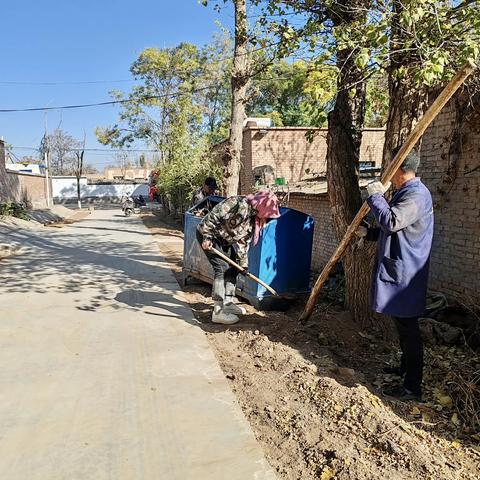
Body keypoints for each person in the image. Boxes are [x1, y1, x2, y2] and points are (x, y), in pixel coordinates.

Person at [357, 150, 434, 401]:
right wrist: (368, 234)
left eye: (391, 165)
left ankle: (412, 387)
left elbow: (392, 221)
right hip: (402, 269)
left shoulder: (416, 195)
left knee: (409, 328)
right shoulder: (407, 193)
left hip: (407, 274)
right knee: (402, 325)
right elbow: (397, 231)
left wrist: (376, 196)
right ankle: (404, 370)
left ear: (400, 169)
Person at [196, 189, 281, 325]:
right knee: (222, 269)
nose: (267, 218)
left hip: (224, 239)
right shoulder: (237, 203)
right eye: (268, 214)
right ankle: (218, 312)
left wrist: (243, 264)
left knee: (233, 268)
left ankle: (228, 302)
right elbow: (214, 216)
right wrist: (207, 236)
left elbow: (243, 242)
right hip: (208, 235)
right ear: (262, 206)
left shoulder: (254, 220)